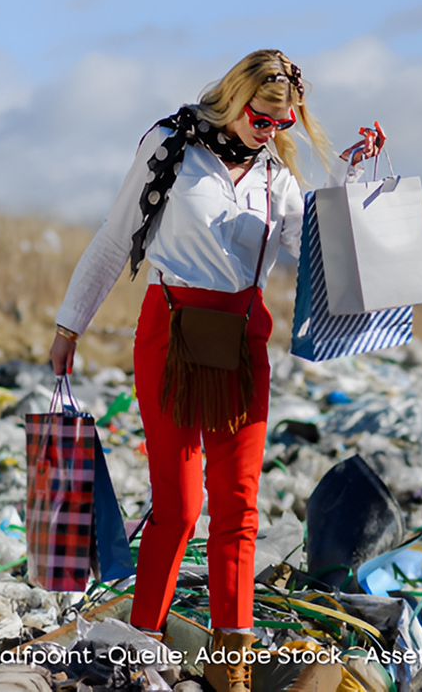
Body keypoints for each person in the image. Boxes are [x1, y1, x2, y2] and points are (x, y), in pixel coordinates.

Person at [48, 49, 378, 691]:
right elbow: (116, 238)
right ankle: (139, 646)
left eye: (284, 123)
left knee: (239, 506)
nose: (272, 131)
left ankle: (234, 670)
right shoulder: (168, 146)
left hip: (242, 343)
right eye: (262, 118)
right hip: (168, 333)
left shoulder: (276, 177)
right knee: (178, 501)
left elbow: (317, 254)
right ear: (236, 99)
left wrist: (350, 185)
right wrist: (69, 326)